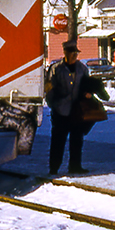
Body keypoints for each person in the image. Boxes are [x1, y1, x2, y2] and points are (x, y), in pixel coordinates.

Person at [44, 40, 93, 175]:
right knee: (58, 141)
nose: (74, 56)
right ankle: (54, 168)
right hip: (60, 111)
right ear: (65, 53)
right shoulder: (56, 69)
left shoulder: (82, 69)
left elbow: (86, 84)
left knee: (77, 141)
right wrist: (53, 103)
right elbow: (49, 87)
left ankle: (75, 166)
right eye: (71, 53)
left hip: (76, 111)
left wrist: (87, 93)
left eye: (76, 53)